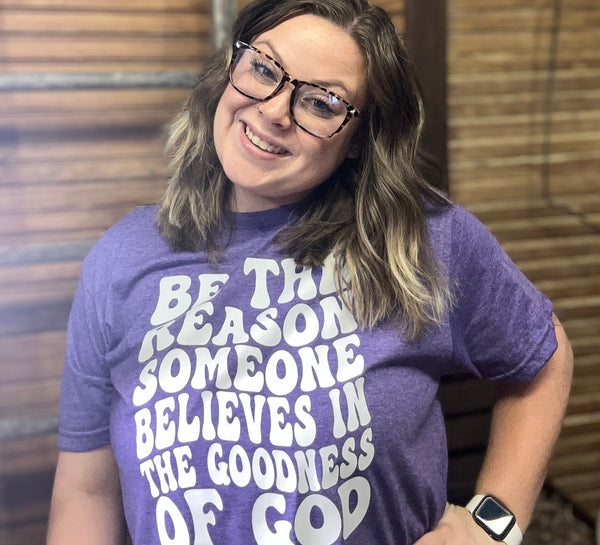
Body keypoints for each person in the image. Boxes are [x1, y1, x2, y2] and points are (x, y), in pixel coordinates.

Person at [47, 1, 573, 544]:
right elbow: (86, 491)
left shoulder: (419, 236)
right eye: (264, 69)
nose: (274, 110)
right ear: (230, 70)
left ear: (358, 142)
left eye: (323, 103)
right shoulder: (120, 260)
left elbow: (542, 356)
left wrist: (492, 525)